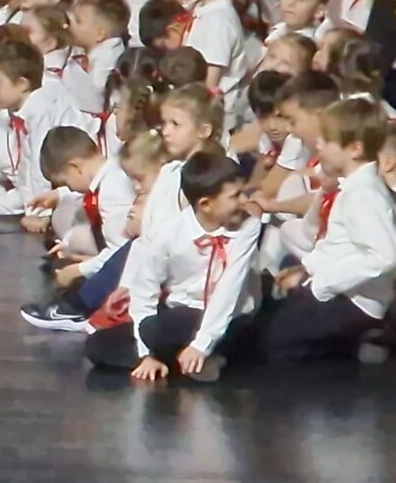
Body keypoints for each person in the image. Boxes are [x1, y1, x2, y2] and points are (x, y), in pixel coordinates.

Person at [84, 149, 256, 381]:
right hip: (180, 317)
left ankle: (197, 356)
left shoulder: (248, 226)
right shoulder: (169, 233)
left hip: (226, 319)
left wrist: (202, 345)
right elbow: (144, 292)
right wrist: (146, 354)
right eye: (235, 196)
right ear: (205, 204)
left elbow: (228, 291)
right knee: (100, 344)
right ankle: (183, 363)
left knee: (181, 322)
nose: (244, 201)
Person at [259, 99, 396, 362]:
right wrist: (307, 270)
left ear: (355, 148)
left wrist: (323, 285)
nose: (319, 145)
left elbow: (384, 255)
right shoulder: (354, 188)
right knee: (275, 324)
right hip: (340, 293)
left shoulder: (364, 195)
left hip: (354, 301)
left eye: (327, 140)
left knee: (276, 346)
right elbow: (340, 245)